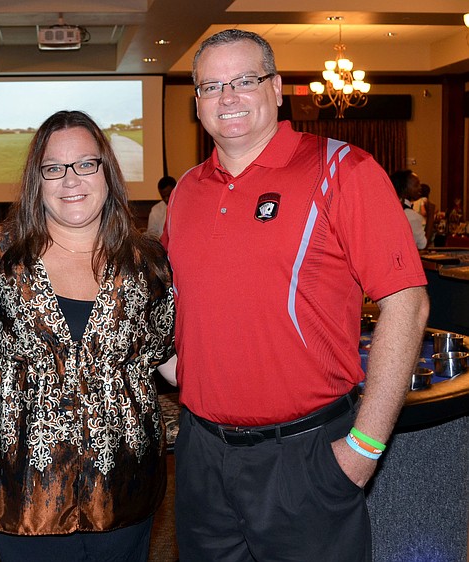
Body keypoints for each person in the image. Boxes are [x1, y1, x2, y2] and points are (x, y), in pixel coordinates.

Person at [163, 29, 429, 561]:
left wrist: (365, 447)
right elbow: (181, 304)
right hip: (199, 455)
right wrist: (177, 364)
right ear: (197, 103)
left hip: (306, 456)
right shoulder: (187, 191)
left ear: (278, 87)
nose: (228, 97)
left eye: (244, 80)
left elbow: (408, 303)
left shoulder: (344, 170)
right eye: (211, 86)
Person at [0, 110, 176, 562]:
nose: (70, 179)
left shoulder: (147, 262)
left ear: (107, 172)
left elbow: (166, 357)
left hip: (123, 482)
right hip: (23, 488)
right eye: (53, 168)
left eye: (85, 164)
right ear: (37, 180)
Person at [390, 169, 426, 250]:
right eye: (416, 185)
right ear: (404, 189)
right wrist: (430, 215)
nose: (420, 187)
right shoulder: (410, 215)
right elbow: (423, 245)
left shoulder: (392, 208)